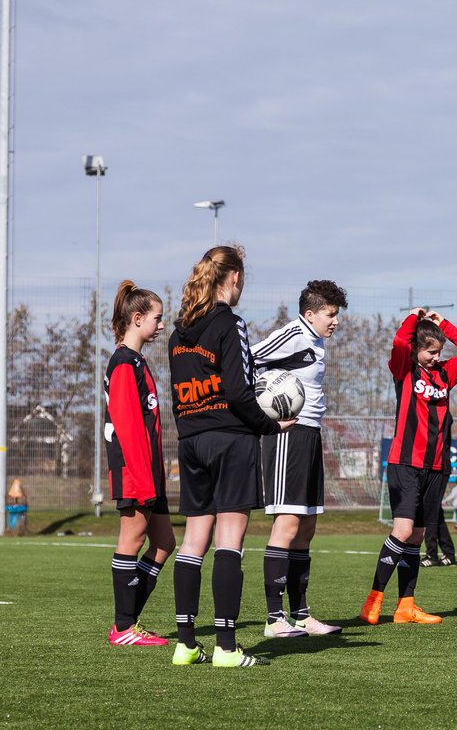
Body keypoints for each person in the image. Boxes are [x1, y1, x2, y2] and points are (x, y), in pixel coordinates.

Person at [168, 245, 295, 668]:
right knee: (230, 543)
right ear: (234, 278)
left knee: (191, 542)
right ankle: (225, 646)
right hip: (229, 440)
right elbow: (240, 392)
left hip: (191, 442)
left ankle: (185, 644)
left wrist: (191, 432)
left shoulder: (177, 334)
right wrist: (269, 426)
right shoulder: (231, 324)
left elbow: (177, 399)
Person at [359, 308, 457, 625]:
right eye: (430, 351)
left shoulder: (444, 374)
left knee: (417, 536)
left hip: (436, 467)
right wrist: (412, 318)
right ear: (417, 350)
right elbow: (401, 342)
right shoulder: (404, 369)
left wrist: (443, 324)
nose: (434, 357)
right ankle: (374, 599)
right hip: (405, 463)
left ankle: (406, 606)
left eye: (438, 352)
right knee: (402, 530)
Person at [250, 279, 349, 638]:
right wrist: (264, 406)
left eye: (336, 314)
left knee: (307, 526)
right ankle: (274, 619)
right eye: (329, 314)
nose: (335, 321)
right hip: (286, 436)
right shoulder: (294, 333)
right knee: (288, 523)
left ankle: (302, 615)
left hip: (310, 434)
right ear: (310, 314)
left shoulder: (317, 341)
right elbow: (247, 358)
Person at [104, 280, 172, 647]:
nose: (162, 325)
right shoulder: (123, 364)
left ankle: (129, 622)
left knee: (164, 542)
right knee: (132, 539)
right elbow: (129, 429)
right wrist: (145, 481)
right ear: (137, 318)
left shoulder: (136, 361)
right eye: (158, 319)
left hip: (149, 472)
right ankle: (123, 627)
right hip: (134, 472)